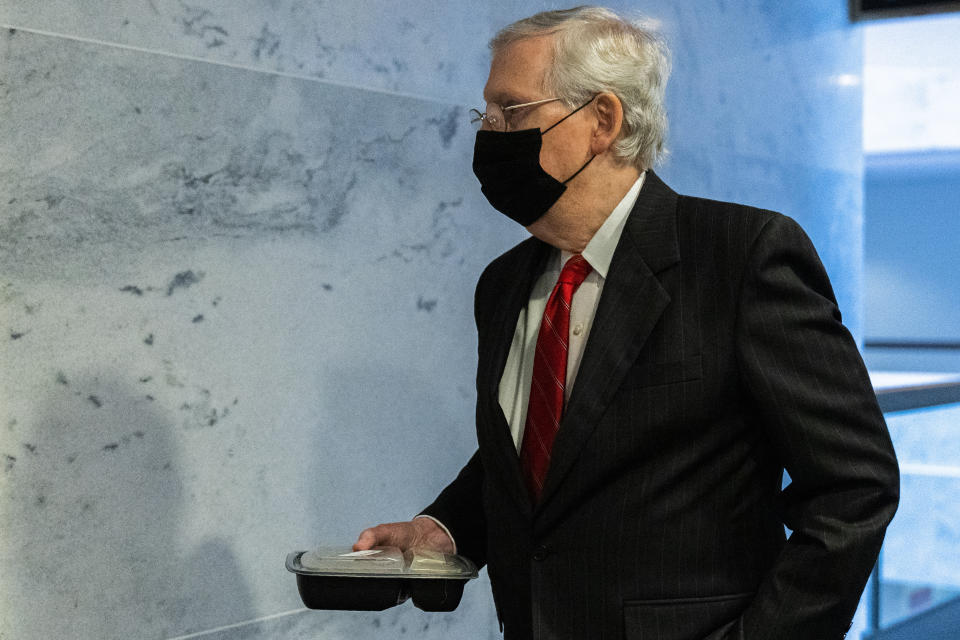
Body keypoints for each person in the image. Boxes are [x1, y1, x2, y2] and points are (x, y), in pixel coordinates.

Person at [355, 6, 899, 639]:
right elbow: (545, 459)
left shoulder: (743, 255)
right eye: (487, 114)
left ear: (602, 121)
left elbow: (853, 488)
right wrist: (442, 531)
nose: (490, 132)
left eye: (513, 110)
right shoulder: (502, 284)